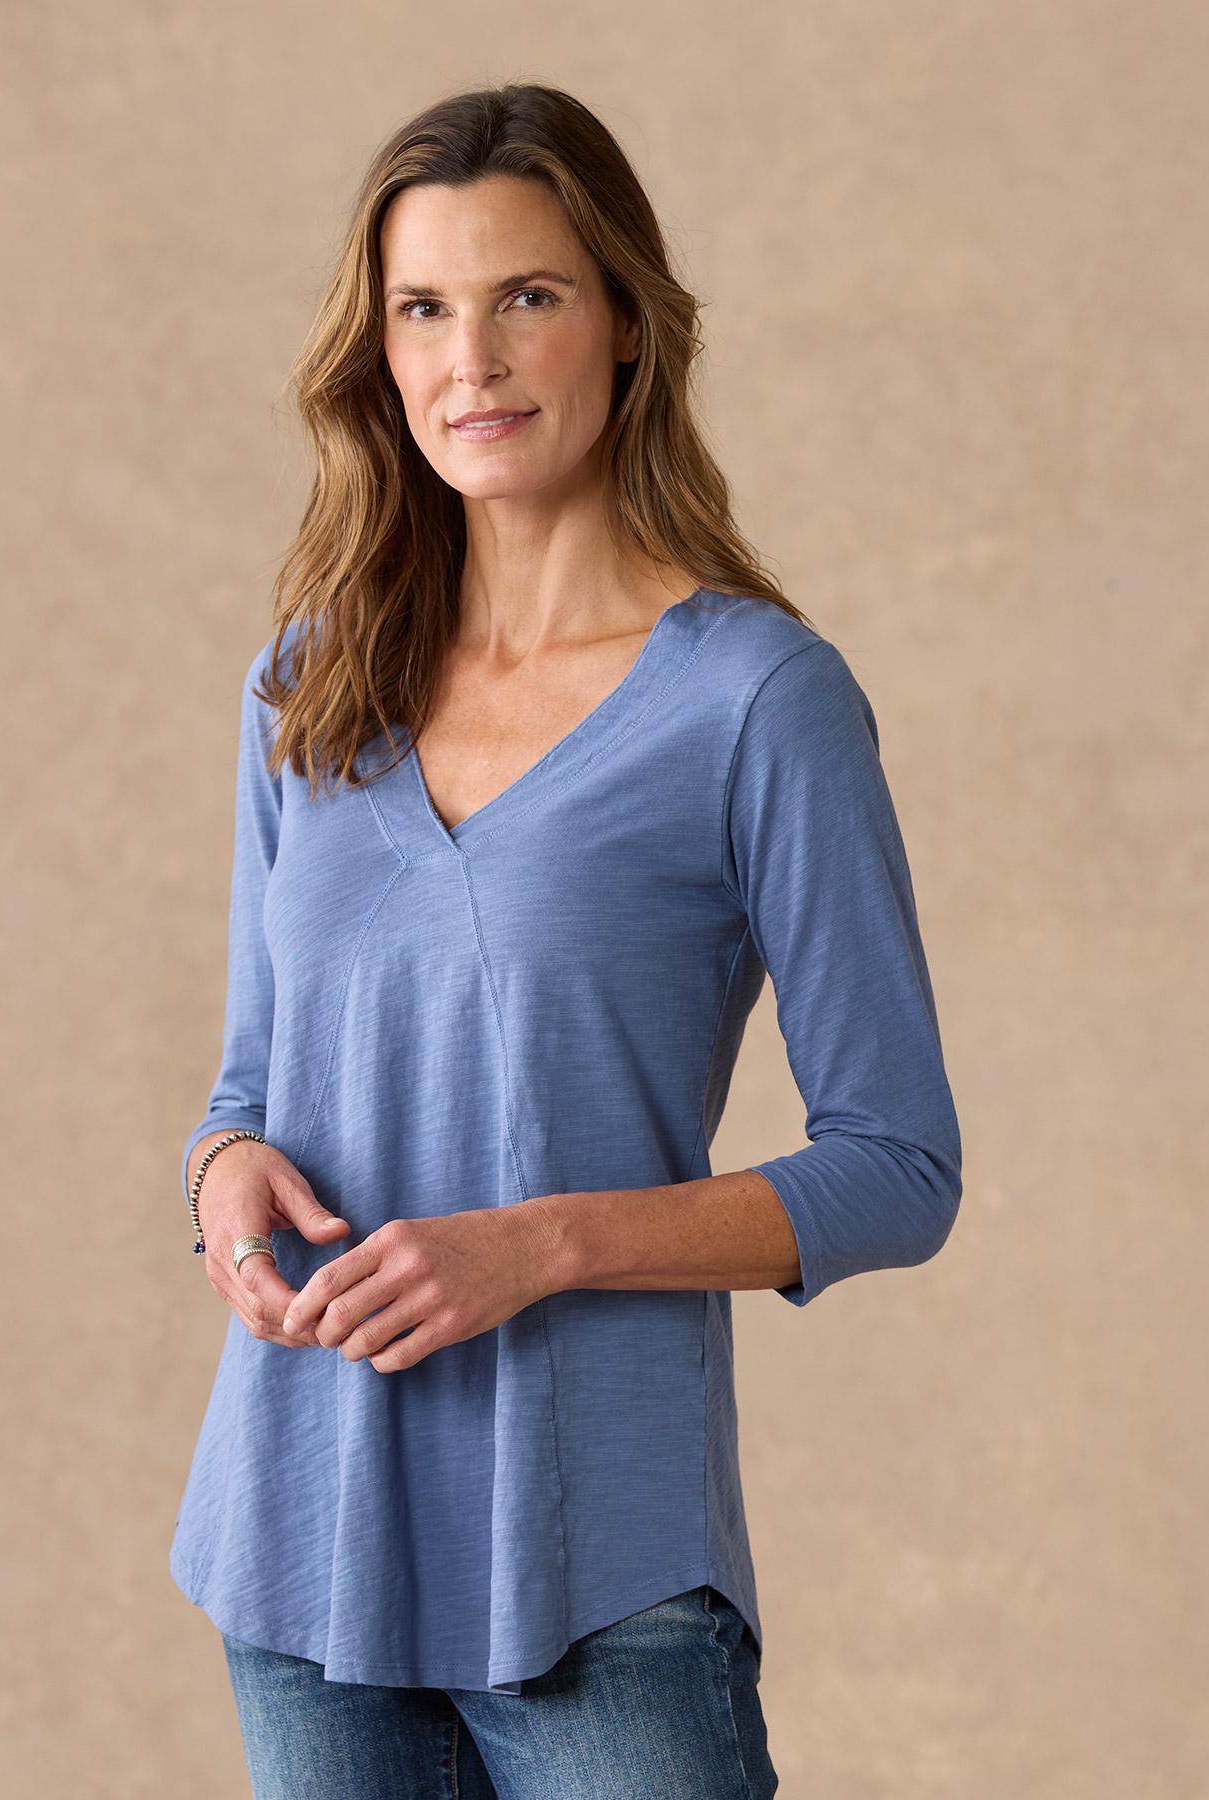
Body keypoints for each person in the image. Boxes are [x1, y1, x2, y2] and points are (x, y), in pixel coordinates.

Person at [169, 82, 962, 1800]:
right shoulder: (306, 684)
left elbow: (901, 1167)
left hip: (594, 1565)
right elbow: (251, 1081)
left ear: (625, 324)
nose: (473, 360)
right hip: (300, 1538)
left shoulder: (758, 701)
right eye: (423, 309)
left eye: (526, 295)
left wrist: (539, 1246)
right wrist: (222, 1177)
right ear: (378, 352)